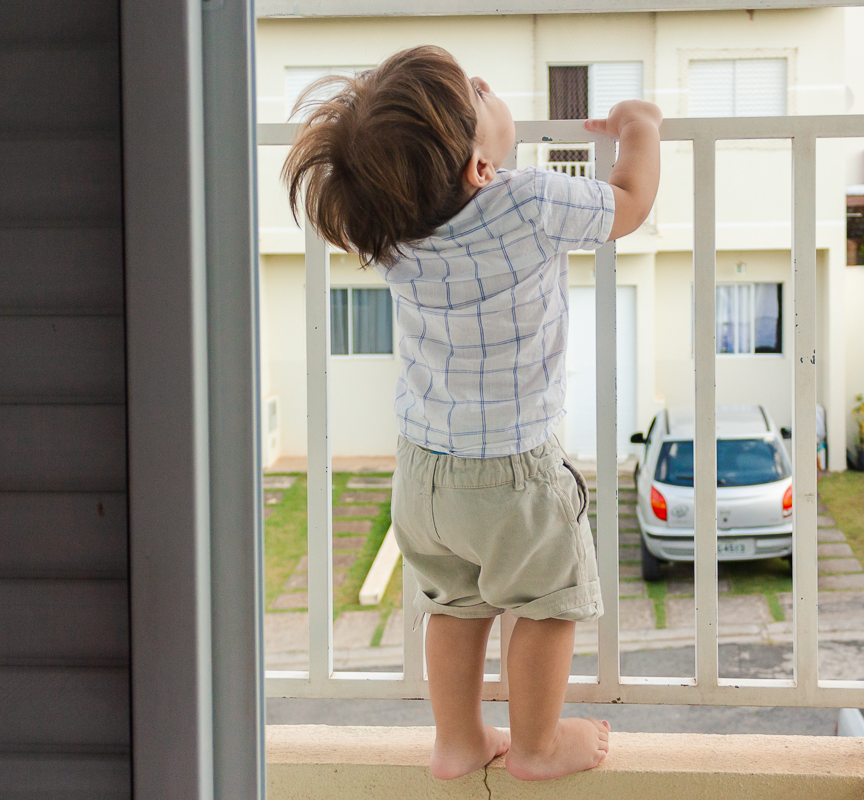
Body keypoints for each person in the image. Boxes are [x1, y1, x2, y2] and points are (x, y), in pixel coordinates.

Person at [283, 45, 661, 782]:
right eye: (477, 94)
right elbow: (629, 205)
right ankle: (537, 746)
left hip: (424, 469)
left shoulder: (391, 229)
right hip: (515, 470)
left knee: (454, 605)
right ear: (479, 170)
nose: (489, 87)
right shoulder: (528, 200)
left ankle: (457, 740)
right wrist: (639, 126)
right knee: (547, 605)